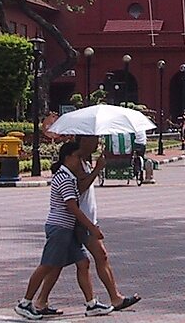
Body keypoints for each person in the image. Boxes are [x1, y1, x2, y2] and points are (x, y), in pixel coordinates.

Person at [36, 135, 141, 314]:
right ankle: (113, 298)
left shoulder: (83, 161)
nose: (97, 142)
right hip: (80, 222)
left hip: (87, 219)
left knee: (70, 263)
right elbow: (79, 188)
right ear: (83, 141)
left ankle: (44, 300)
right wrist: (97, 170)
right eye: (93, 139)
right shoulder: (74, 163)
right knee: (98, 256)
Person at [15, 141, 114, 320]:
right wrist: (91, 228)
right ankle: (25, 302)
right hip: (59, 228)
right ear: (68, 157)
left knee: (83, 262)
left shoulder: (69, 176)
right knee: (47, 265)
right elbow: (73, 208)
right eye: (77, 156)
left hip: (67, 229)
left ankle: (91, 303)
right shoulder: (64, 177)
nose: (78, 160)